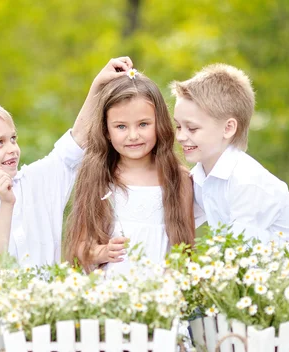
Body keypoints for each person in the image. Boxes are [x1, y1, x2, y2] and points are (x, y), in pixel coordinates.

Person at [0, 57, 134, 265]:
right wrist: (6, 204)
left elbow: (76, 143)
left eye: (13, 138)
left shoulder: (35, 181)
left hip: (48, 297)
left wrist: (97, 86)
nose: (12, 148)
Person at [64, 70, 196, 276]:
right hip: (110, 297)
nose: (133, 136)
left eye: (143, 124)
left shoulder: (177, 178)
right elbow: (79, 248)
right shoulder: (98, 176)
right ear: (106, 130)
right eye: (121, 127)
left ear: (159, 123)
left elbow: (187, 250)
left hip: (160, 296)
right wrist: (102, 252)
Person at [171, 63, 289, 243]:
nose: (181, 136)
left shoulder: (246, 182)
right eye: (178, 126)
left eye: (192, 128)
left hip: (285, 268)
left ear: (228, 128)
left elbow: (239, 250)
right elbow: (175, 220)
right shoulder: (200, 175)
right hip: (245, 265)